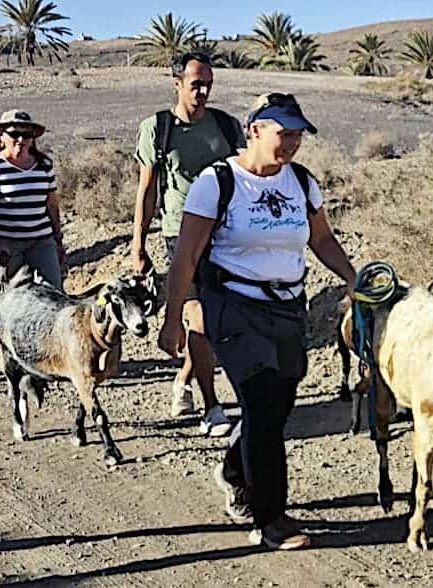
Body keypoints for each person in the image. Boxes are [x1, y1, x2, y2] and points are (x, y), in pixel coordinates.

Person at [158, 93, 356, 550]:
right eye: (283, 133)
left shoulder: (302, 183)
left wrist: (353, 278)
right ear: (255, 130)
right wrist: (173, 319)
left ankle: (232, 470)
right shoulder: (219, 181)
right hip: (232, 304)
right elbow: (186, 255)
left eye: (298, 135)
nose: (291, 143)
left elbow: (322, 239)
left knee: (277, 405)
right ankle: (270, 518)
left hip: (288, 307)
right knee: (263, 400)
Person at [133, 52, 245, 436]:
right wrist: (138, 244)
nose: (203, 90)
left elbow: (244, 179)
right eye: (196, 83)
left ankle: (184, 379)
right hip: (180, 234)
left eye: (208, 83)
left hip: (225, 233)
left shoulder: (227, 128)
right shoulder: (158, 128)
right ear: (177, 82)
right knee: (197, 317)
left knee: (218, 323)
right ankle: (212, 407)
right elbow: (147, 191)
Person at [0, 110, 65, 296]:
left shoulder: (44, 166)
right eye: (14, 134)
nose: (21, 139)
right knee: (7, 298)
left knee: (54, 294)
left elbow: (52, 205)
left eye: (26, 134)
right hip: (6, 242)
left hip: (41, 241)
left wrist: (57, 240)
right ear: (2, 136)